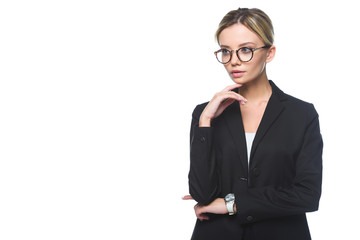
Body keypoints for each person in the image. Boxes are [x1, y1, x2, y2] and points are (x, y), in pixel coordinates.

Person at [182, 7, 323, 240]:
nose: (234, 61)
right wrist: (205, 122)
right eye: (226, 51)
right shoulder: (205, 113)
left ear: (269, 53)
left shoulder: (301, 114)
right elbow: (202, 193)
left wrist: (232, 204)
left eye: (245, 50)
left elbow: (307, 195)